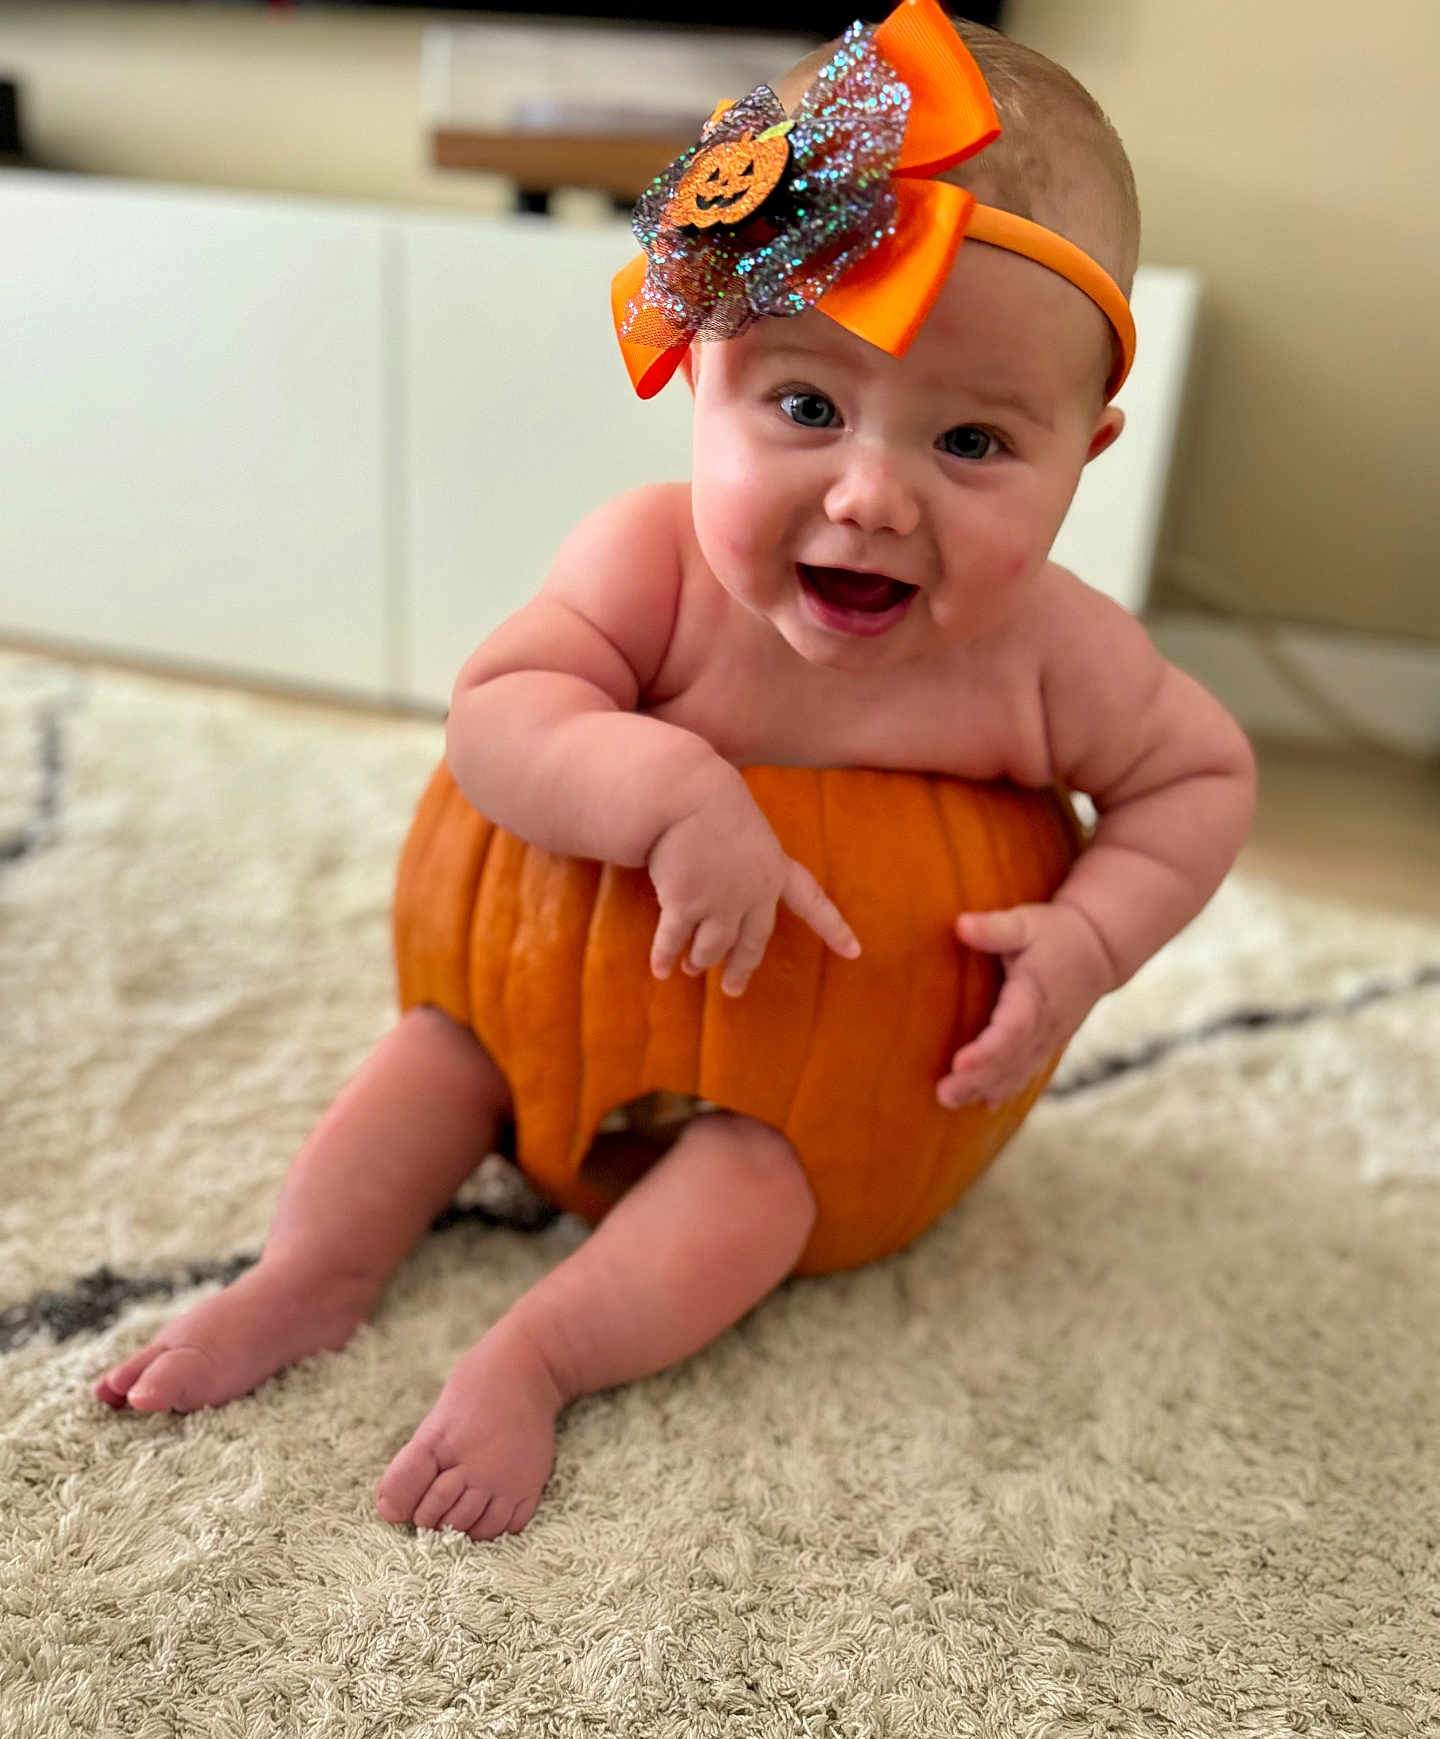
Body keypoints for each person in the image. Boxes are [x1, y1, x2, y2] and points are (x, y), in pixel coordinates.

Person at [93, 0, 1256, 1542]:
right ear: (702, 378)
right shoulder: (648, 568)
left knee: (756, 1196)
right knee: (433, 1062)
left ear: (1084, 456)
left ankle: (541, 1356)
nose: (871, 493)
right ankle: (311, 1274)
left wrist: (1092, 936)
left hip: (807, 1103)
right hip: (533, 1011)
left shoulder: (1052, 657)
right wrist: (666, 792)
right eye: (806, 405)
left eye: (971, 445)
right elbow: (500, 716)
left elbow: (1201, 779)